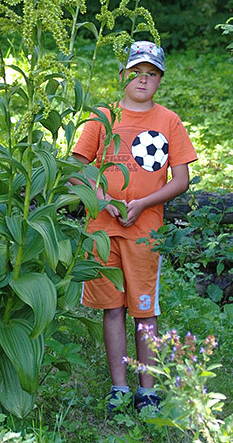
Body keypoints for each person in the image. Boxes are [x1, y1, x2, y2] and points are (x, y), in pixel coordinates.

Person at [72, 40, 196, 414]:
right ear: (123, 74)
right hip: (103, 229)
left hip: (145, 231)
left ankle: (148, 391)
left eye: (152, 74)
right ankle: (119, 387)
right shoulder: (102, 116)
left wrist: (143, 203)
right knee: (112, 309)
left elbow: (182, 178)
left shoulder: (168, 121)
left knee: (145, 310)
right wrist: (105, 201)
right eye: (137, 72)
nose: (143, 79)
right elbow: (77, 169)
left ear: (160, 81)